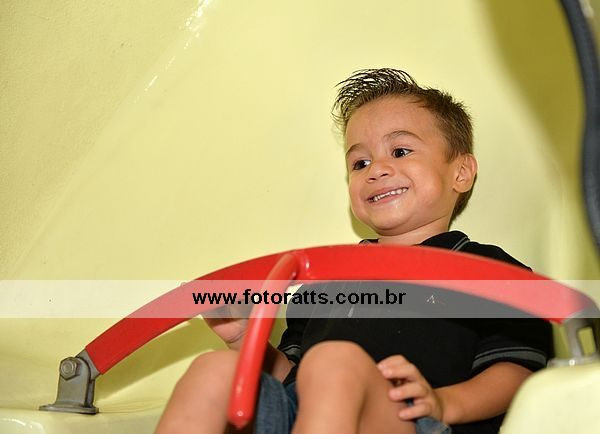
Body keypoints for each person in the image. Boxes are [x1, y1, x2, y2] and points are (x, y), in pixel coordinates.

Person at [155, 68, 553, 434]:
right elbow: (293, 378)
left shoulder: (485, 268)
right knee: (214, 369)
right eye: (360, 162)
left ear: (461, 173)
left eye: (400, 151)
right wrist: (244, 339)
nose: (376, 169)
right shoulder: (324, 280)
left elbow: (520, 368)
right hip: (309, 417)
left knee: (333, 361)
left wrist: (444, 403)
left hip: (419, 420)